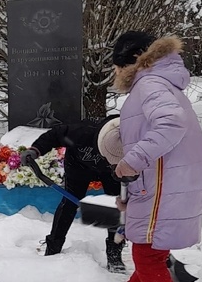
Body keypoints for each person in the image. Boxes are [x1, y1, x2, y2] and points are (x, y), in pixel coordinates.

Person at [99, 31, 202, 282]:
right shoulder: (160, 83)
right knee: (151, 251)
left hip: (165, 185)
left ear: (132, 61)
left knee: (145, 255)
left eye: (118, 67)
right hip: (168, 183)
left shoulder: (149, 84)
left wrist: (133, 160)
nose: (116, 75)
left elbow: (170, 124)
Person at [20, 115, 125, 271]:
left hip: (113, 170)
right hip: (78, 165)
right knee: (69, 203)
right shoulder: (80, 132)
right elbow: (54, 135)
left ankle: (114, 255)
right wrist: (35, 150)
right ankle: (53, 247)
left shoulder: (130, 131)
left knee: (116, 208)